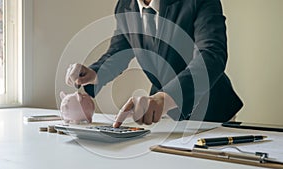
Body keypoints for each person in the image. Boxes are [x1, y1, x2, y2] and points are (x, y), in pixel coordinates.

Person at [65, 0, 243, 128]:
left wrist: (164, 99)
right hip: (160, 118)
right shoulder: (125, 5)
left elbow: (211, 55)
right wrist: (95, 73)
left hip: (211, 112)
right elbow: (118, 51)